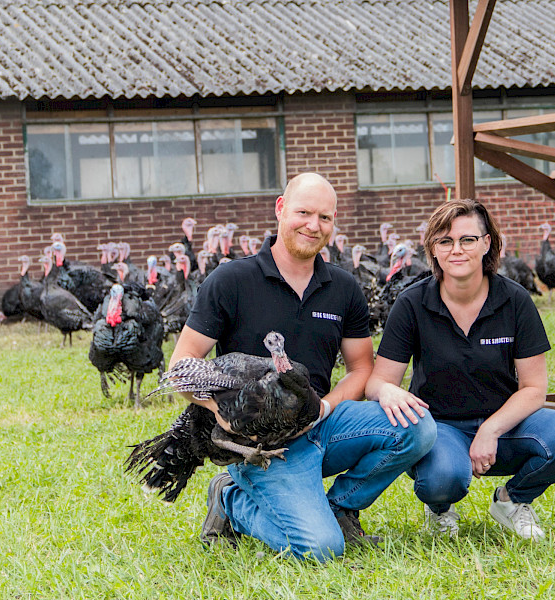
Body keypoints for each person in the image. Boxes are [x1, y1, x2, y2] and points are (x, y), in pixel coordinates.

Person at [169, 172, 436, 562]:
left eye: (325, 217)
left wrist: (324, 408)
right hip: (262, 443)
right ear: (280, 208)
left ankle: (341, 510)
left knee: (418, 428)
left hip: (320, 424)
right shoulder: (231, 279)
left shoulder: (344, 288)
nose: (314, 225)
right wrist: (219, 411)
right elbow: (181, 365)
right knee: (319, 550)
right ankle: (229, 498)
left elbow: (362, 368)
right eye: (304, 212)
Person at [365, 199, 555, 541]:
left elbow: (534, 388)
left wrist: (490, 429)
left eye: (467, 239)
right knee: (443, 478)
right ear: (433, 249)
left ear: (486, 244)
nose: (457, 250)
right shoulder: (412, 303)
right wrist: (386, 390)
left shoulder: (514, 300)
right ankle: (440, 507)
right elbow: (378, 381)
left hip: (506, 426)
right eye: (445, 241)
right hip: (439, 428)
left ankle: (512, 500)